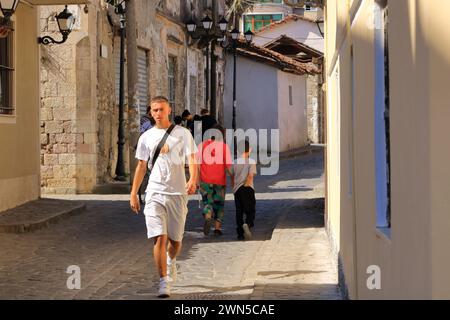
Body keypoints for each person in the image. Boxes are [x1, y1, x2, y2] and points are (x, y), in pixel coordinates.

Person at [130, 96, 198, 298]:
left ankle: (171, 260)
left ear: (168, 110)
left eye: (161, 109)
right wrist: (134, 193)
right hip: (154, 192)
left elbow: (192, 158)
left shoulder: (183, 134)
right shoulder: (146, 137)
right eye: (154, 110)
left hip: (177, 193)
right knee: (160, 237)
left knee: (175, 241)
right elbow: (141, 166)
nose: (158, 113)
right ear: (150, 112)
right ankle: (163, 281)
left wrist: (193, 178)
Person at [196, 124, 232, 236]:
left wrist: (196, 179)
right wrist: (234, 178)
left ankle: (207, 215)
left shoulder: (201, 146)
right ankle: (217, 228)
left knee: (207, 201)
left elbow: (196, 165)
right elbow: (228, 166)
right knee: (219, 205)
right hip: (219, 180)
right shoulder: (224, 147)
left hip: (205, 180)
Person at [232, 140, 257, 241]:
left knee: (239, 211)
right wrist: (246, 185)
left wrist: (234, 186)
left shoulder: (235, 162)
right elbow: (250, 176)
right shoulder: (251, 162)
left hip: (237, 189)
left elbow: (232, 175)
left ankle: (240, 233)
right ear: (249, 150)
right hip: (248, 188)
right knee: (250, 209)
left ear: (238, 150)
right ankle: (248, 223)